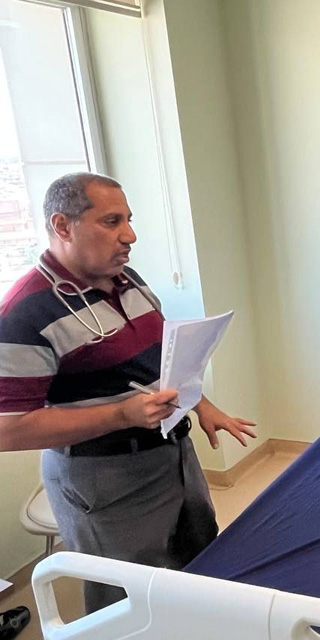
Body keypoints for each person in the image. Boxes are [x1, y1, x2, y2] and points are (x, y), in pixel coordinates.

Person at [0, 173, 256, 613]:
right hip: (105, 479)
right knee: (129, 600)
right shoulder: (24, 314)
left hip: (172, 456)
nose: (130, 236)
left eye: (129, 220)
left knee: (199, 567)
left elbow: (159, 361)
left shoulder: (127, 280)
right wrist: (121, 415)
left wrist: (202, 403)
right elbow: (8, 431)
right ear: (62, 226)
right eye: (111, 221)